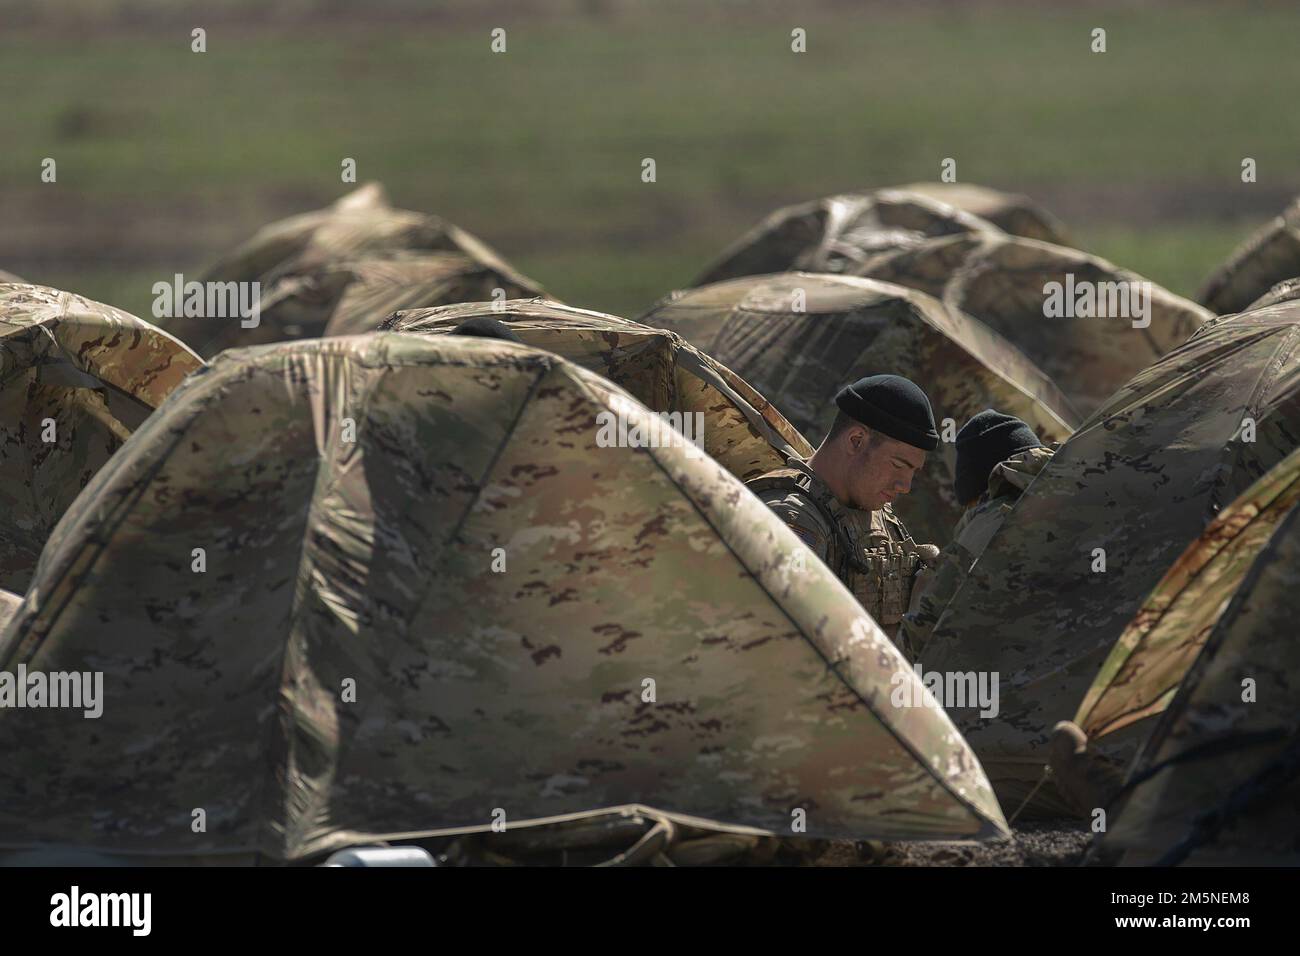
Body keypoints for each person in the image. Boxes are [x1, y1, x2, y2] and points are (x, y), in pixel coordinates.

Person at [746, 374, 940, 637]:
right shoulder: (790, 518)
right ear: (856, 441)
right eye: (898, 465)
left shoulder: (880, 516)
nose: (905, 486)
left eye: (913, 472)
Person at [898, 409, 1055, 659]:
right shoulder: (1076, 490)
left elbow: (914, 645)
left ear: (978, 495)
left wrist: (923, 588)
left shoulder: (989, 523)